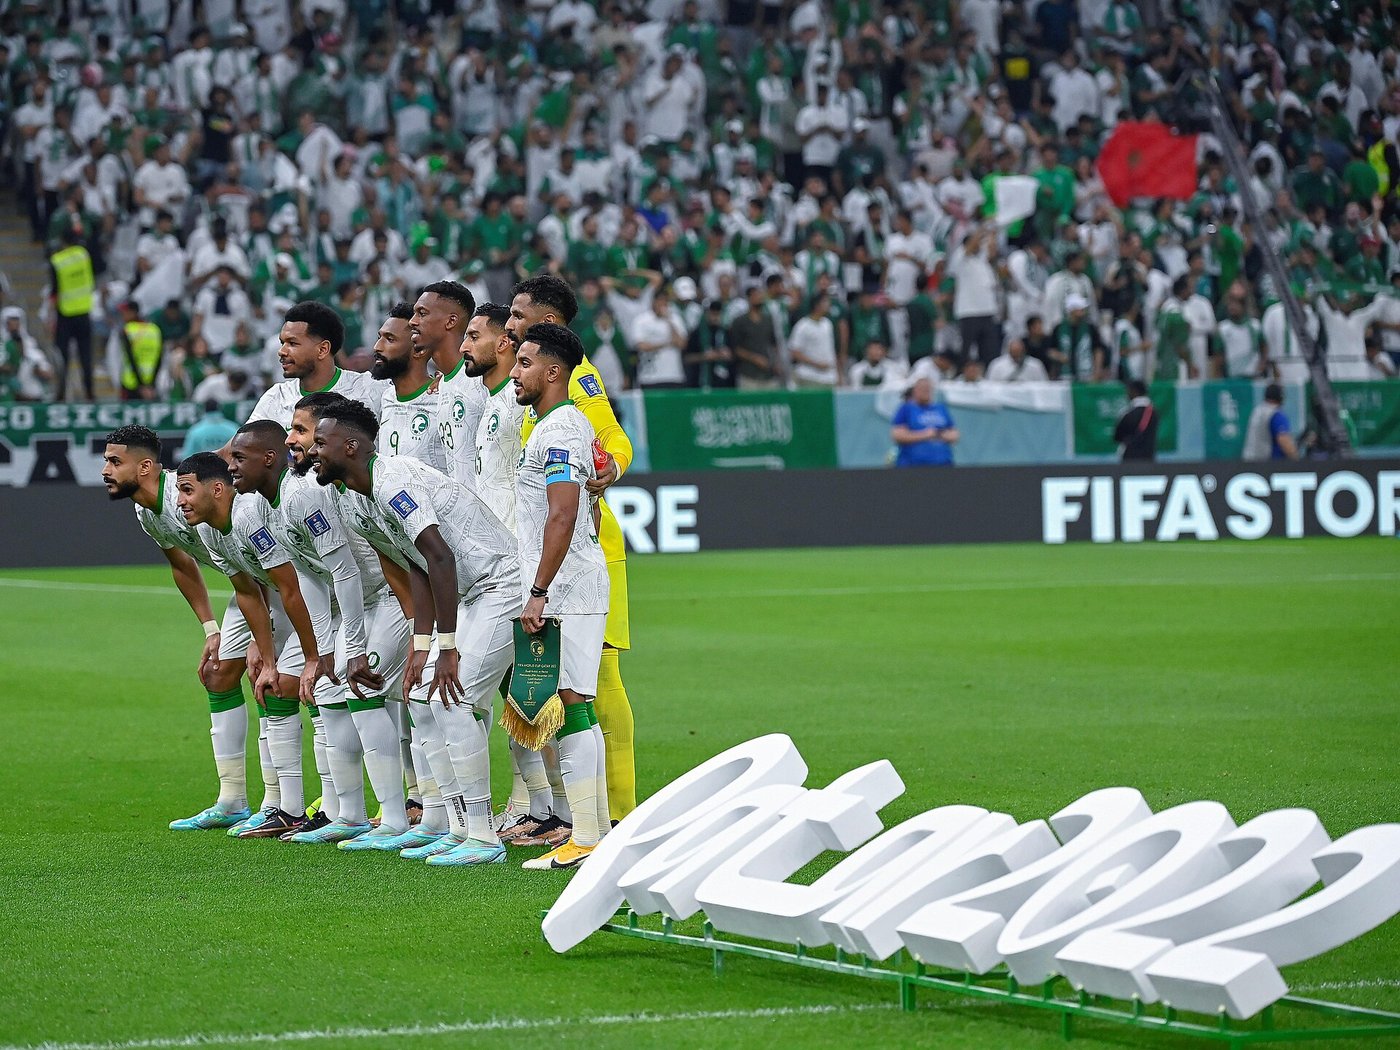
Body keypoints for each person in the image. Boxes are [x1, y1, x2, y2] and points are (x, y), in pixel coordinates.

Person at [311, 398, 517, 866]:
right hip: (468, 595)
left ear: (350, 446)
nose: (313, 451)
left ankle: (485, 836)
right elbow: (417, 568)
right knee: (423, 696)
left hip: (500, 583)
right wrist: (420, 647)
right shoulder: (359, 498)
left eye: (321, 442)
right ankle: (454, 826)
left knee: (451, 697)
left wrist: (447, 649)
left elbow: (440, 557)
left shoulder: (392, 483)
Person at [508, 273, 638, 827]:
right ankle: (555, 810)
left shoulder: (576, 381)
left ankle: (615, 816)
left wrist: (605, 468)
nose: (509, 325)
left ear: (549, 326)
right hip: (541, 557)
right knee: (546, 687)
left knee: (592, 686)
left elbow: (612, 443)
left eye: (519, 315)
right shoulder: (517, 385)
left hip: (582, 555)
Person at [173, 451, 333, 840]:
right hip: (286, 599)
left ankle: (336, 809)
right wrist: (266, 653)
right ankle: (289, 810)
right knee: (274, 689)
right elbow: (247, 591)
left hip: (321, 595)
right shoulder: (210, 528)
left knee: (318, 691)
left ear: (217, 489)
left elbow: (291, 585)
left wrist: (307, 655)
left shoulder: (247, 517)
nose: (180, 502)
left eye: (187, 490)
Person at [101, 426, 253, 831]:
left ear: (146, 466)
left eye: (115, 461)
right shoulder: (144, 510)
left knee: (287, 680)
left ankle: (299, 800)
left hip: (274, 581)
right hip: (248, 586)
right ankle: (232, 800)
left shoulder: (185, 497)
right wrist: (211, 629)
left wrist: (261, 637)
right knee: (219, 674)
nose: (105, 470)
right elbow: (182, 565)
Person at [509, 322, 611, 870]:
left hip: (566, 588)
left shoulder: (561, 429)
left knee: (573, 704)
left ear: (553, 372)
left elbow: (564, 512)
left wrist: (539, 590)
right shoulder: (551, 425)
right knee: (570, 706)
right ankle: (590, 831)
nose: (516, 372)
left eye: (524, 363)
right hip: (561, 586)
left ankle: (588, 835)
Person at [376, 301, 445, 470]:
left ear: (419, 350)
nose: (377, 347)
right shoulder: (386, 397)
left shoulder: (443, 398)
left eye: (390, 339)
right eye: (380, 337)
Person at [49, 227, 96, 401]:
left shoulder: (57, 260)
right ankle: (90, 393)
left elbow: (55, 291)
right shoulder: (83, 254)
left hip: (66, 314)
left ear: (62, 241)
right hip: (84, 311)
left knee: (63, 357)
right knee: (86, 355)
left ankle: (60, 394)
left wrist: (51, 317)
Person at [891, 378, 958, 467]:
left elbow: (954, 434)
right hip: (912, 466)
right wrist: (925, 434)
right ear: (915, 390)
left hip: (943, 465)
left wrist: (938, 434)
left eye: (928, 389)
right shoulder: (906, 409)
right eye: (922, 389)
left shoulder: (940, 408)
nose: (925, 392)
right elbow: (897, 435)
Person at [1243, 383, 1299, 461]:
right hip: (1268, 464)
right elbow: (1284, 440)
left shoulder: (1257, 410)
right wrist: (1296, 458)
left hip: (1249, 460)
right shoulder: (1276, 415)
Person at [1113, 380, 1158, 461]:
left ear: (1134, 392)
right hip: (1149, 458)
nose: (1127, 394)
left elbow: (1117, 437)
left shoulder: (1127, 413)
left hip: (1129, 458)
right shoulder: (1154, 412)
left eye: (1128, 391)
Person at [986, 338, 1050, 382]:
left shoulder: (1035, 365)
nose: (1016, 354)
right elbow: (990, 386)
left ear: (1023, 350)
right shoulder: (997, 365)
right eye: (1014, 351)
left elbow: (1043, 385)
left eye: (1018, 351)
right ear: (1009, 350)